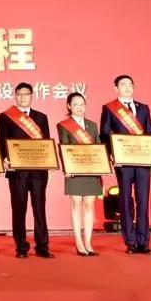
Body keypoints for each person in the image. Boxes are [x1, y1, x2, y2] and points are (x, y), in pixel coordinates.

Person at [100, 74, 151, 255]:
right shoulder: (109, 108)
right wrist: (111, 155)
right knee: (125, 200)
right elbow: (105, 133)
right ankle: (130, 241)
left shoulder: (143, 108)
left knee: (143, 200)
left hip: (143, 161)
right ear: (116, 88)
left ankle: (143, 241)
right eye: (123, 84)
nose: (127, 87)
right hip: (123, 161)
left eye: (130, 84)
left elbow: (150, 132)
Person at [0, 82, 54, 258]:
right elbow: (2, 140)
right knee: (19, 209)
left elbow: (46, 143)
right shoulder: (6, 116)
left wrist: (49, 164)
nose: (23, 97)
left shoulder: (42, 117)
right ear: (15, 96)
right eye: (19, 94)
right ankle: (21, 247)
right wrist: (4, 158)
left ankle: (42, 247)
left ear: (31, 95)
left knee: (39, 210)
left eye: (26, 94)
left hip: (38, 172)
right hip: (17, 172)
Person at [57, 92, 104, 257]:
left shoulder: (92, 125)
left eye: (82, 104)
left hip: (91, 171)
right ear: (69, 106)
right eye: (75, 104)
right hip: (74, 171)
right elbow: (63, 148)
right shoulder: (64, 125)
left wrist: (102, 166)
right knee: (76, 204)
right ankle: (78, 242)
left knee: (89, 205)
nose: (79, 107)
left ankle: (88, 243)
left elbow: (98, 147)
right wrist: (67, 169)